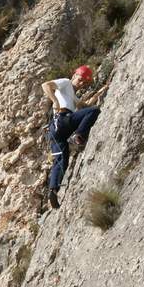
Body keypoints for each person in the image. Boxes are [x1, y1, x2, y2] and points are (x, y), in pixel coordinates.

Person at [40, 65, 104, 209]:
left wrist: (101, 92)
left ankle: (53, 191)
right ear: (74, 74)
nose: (80, 84)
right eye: (80, 79)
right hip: (62, 120)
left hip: (56, 131)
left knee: (61, 160)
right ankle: (79, 136)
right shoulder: (65, 82)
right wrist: (54, 101)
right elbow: (45, 85)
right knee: (94, 111)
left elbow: (83, 105)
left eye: (84, 83)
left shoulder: (72, 96)